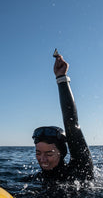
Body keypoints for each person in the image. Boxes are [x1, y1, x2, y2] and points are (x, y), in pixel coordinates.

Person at [30, 51, 94, 183]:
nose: (42, 159)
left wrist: (61, 78)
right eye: (38, 153)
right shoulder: (35, 179)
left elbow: (71, 123)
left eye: (49, 154)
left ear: (62, 153)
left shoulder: (80, 170)